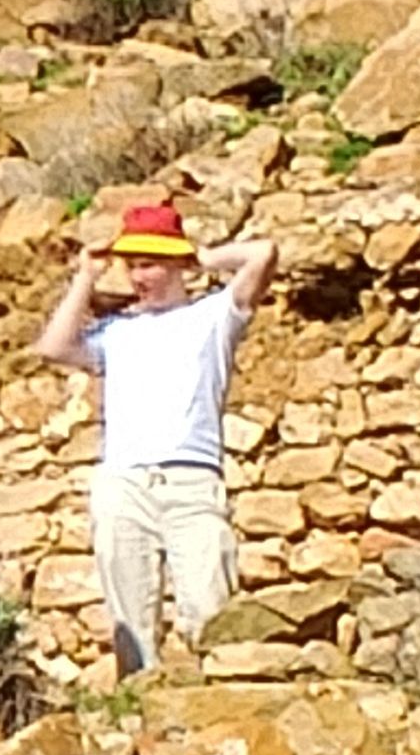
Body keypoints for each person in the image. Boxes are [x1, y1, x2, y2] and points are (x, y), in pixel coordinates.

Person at [33, 203, 277, 676]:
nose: (136, 276)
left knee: (209, 607)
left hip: (191, 479)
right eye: (131, 265)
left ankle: (215, 697)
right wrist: (86, 276)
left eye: (148, 264)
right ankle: (137, 704)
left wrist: (199, 258)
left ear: (174, 264)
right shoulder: (117, 330)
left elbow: (263, 254)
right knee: (131, 620)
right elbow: (53, 347)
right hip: (124, 481)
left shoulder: (213, 316)